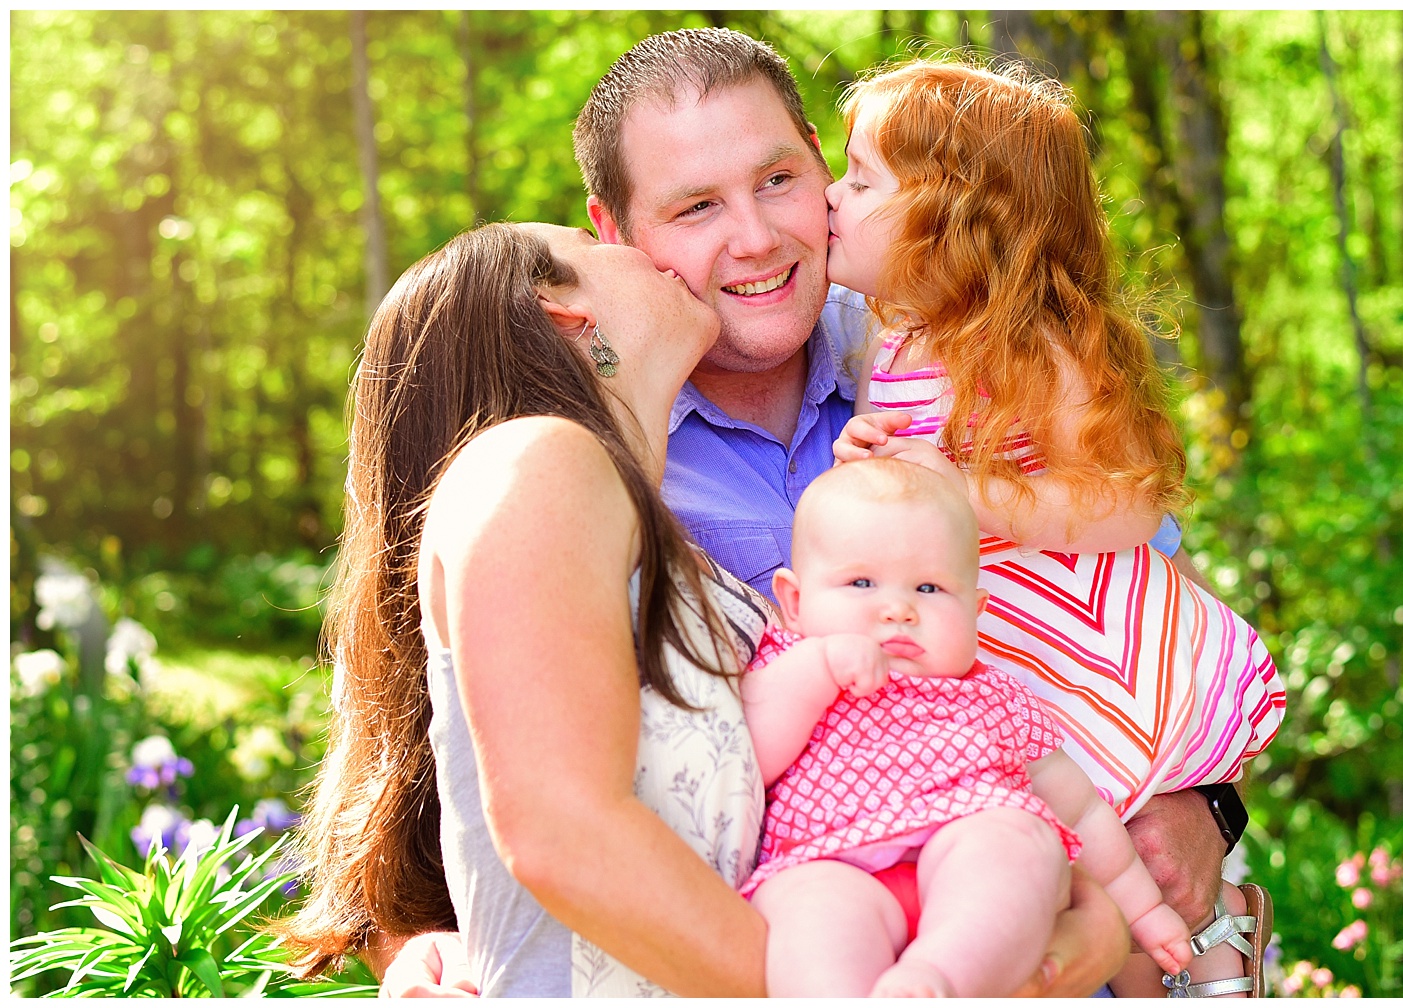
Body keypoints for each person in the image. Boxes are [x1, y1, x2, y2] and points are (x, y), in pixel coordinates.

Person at [371, 28, 1236, 996]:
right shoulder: (573, 472)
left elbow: (1148, 609)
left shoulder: (946, 340)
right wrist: (418, 940)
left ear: (826, 171)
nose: (754, 236)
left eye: (778, 179)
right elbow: (470, 768)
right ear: (614, 237)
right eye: (697, 206)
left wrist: (1207, 812)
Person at [825, 58, 1284, 995]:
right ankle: (1179, 949)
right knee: (1061, 850)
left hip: (1069, 626)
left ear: (955, 218)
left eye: (860, 179)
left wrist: (963, 489)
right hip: (989, 634)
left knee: (1104, 813)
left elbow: (1127, 502)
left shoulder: (1037, 342)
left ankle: (1205, 942)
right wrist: (872, 468)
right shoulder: (894, 341)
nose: (832, 196)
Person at [276, 220, 784, 995]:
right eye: (592, 239)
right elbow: (562, 830)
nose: (653, 255)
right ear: (560, 310)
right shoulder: (537, 459)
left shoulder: (652, 539)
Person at [740, 457, 1194, 997]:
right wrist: (818, 671)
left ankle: (938, 981)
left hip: (968, 861)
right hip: (830, 862)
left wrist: (1141, 908)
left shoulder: (995, 695)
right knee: (808, 916)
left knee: (1019, 841)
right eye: (862, 582)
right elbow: (748, 761)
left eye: (929, 589)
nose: (898, 609)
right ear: (793, 602)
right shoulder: (786, 666)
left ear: (974, 611)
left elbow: (1082, 809)